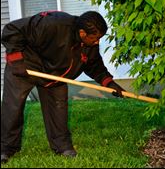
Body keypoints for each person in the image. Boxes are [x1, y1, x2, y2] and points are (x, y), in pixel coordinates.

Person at [1, 11, 125, 163]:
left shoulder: (89, 44)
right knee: (13, 108)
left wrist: (109, 83)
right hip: (25, 66)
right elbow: (13, 29)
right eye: (95, 38)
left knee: (59, 110)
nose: (97, 42)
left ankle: (62, 146)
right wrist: (16, 59)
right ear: (82, 33)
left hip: (55, 75)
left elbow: (93, 64)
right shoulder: (53, 24)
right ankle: (6, 148)